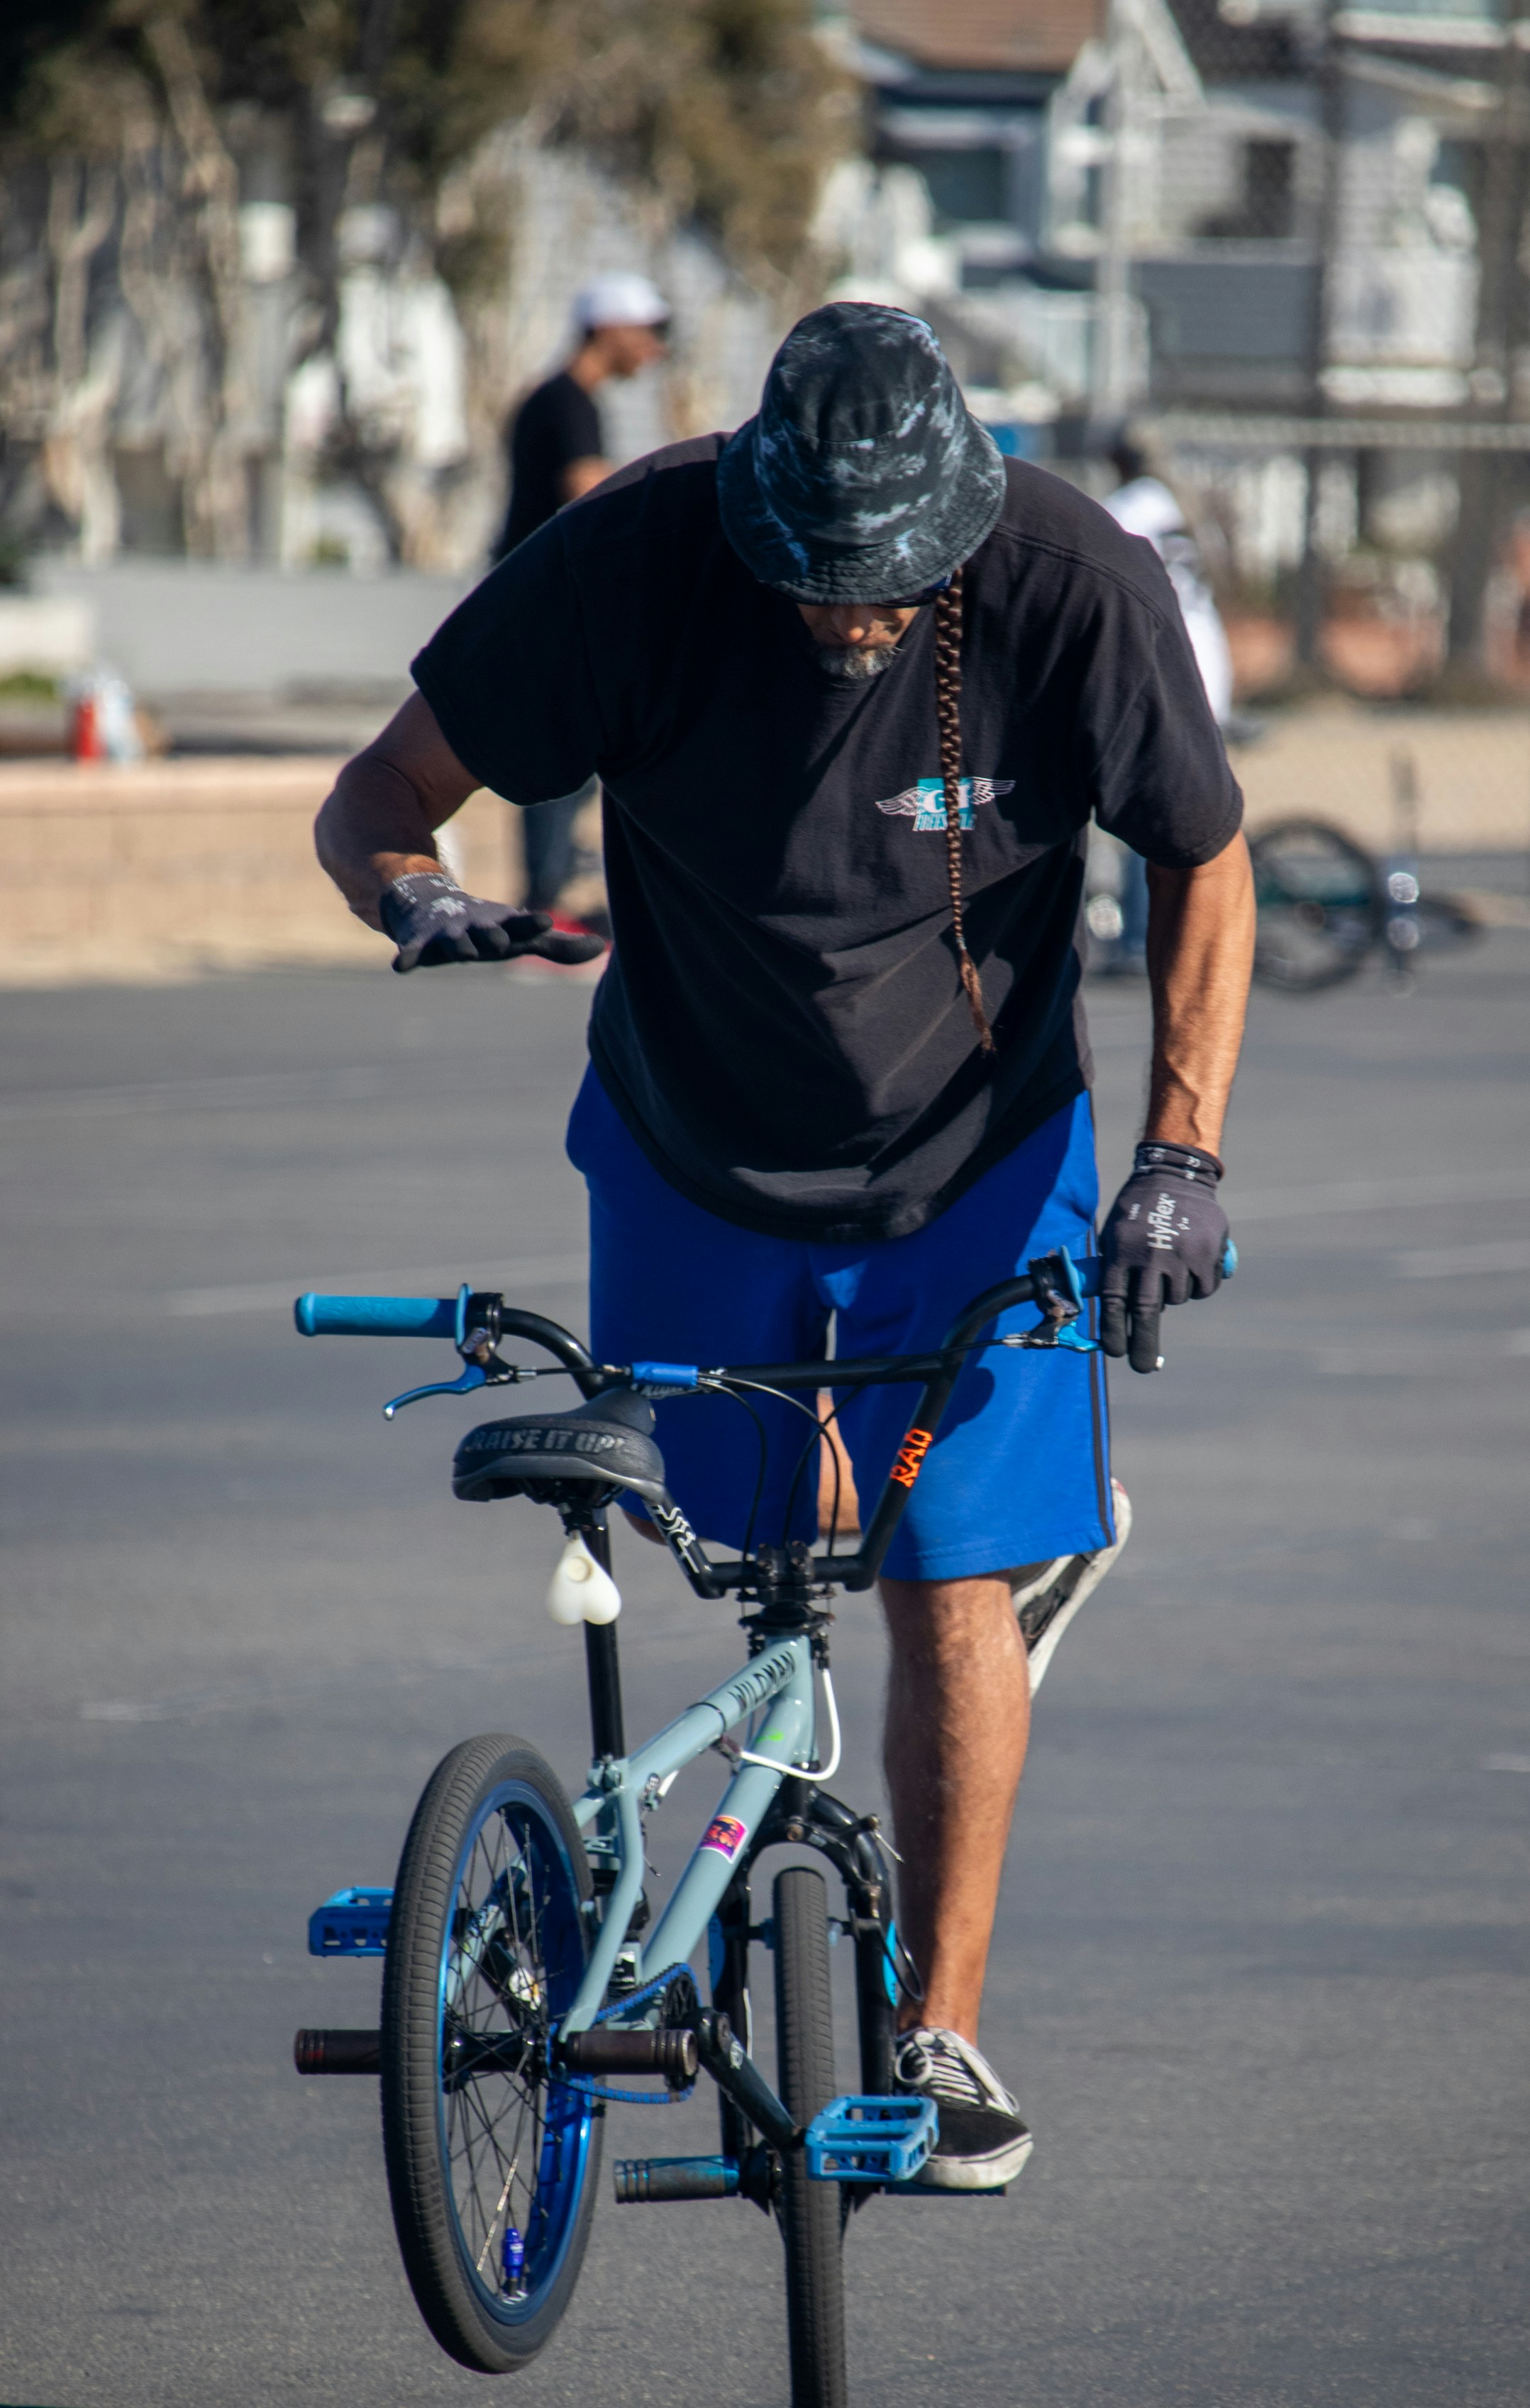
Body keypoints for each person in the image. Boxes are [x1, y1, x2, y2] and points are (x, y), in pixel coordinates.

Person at [314, 304, 1255, 2192]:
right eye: (814, 580)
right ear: (751, 509)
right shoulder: (634, 560)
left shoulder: (1073, 582)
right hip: (694, 1141)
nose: (848, 615)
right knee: (749, 1555)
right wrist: (412, 896)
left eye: (886, 586)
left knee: (940, 1576)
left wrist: (1181, 1155)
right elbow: (377, 798)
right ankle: (944, 1556)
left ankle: (936, 2031)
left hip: (978, 1158)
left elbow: (1200, 859)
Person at [494, 272, 671, 917]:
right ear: (611, 330)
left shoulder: (565, 399)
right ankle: (545, 902)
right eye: (650, 332)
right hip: (544, 604)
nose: (655, 349)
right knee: (558, 746)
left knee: (581, 747)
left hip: (546, 600)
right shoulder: (566, 401)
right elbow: (588, 491)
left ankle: (555, 887)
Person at [1100, 437, 1234, 973]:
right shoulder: (1175, 508)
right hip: (1210, 660)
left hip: (1169, 664)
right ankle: (1178, 938)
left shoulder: (1127, 507)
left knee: (1146, 805)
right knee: (1190, 805)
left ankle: (1139, 938)